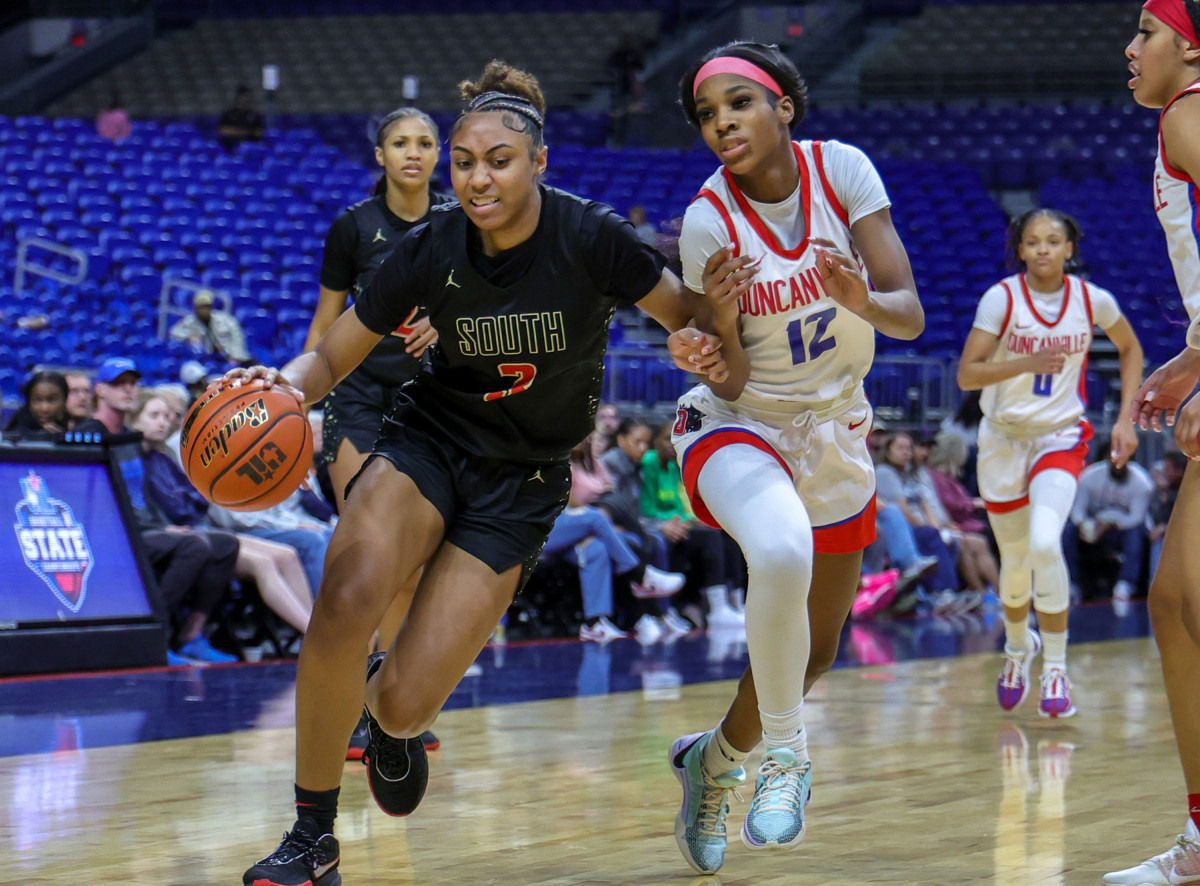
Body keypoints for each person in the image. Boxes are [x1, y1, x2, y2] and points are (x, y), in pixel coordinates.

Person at [237, 60, 713, 886]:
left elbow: (688, 317)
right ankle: (312, 836)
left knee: (406, 703)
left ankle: (389, 719)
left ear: (538, 163)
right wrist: (277, 390)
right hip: (427, 440)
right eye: (465, 161)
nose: (478, 176)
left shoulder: (592, 237)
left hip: (522, 481)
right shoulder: (428, 247)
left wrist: (697, 340)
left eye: (498, 160)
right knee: (348, 591)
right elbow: (332, 358)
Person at [663, 41, 924, 875]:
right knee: (778, 549)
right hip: (740, 421)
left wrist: (861, 300)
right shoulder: (709, 219)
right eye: (708, 115)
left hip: (835, 431)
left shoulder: (842, 171)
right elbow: (730, 371)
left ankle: (714, 763)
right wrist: (718, 339)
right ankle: (786, 757)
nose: (721, 124)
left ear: (785, 106)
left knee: (814, 653)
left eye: (739, 103)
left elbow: (910, 314)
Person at [302, 105, 450, 757]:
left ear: (439, 153)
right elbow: (324, 327)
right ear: (381, 156)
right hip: (357, 398)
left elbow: (484, 308)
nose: (412, 153)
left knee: (413, 568)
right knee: (367, 554)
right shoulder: (353, 228)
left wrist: (447, 325)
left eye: (424, 142)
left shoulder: (457, 224)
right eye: (399, 142)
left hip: (428, 403)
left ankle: (387, 707)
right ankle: (352, 706)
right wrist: (300, 400)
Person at [958, 207, 1143, 722]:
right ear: (1020, 250)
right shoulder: (1002, 297)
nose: (1042, 249)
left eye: (1053, 240)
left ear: (1069, 249)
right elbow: (967, 376)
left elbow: (1131, 349)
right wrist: (1023, 362)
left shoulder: (1092, 300)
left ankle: (1057, 668)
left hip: (1059, 436)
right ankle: (1019, 648)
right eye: (1032, 241)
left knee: (1044, 541)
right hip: (1002, 440)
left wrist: (1126, 419)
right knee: (1015, 563)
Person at [1107, 4, 1200, 881]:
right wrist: (1191, 358)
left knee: (1181, 604)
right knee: (1177, 602)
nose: (1131, 49)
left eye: (1147, 30)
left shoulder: (1187, 109)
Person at [75, 359, 241, 664]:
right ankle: (151, 637)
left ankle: (191, 635)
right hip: (116, 534)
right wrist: (162, 530)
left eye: (132, 383)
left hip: (148, 529)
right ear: (100, 390)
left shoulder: (130, 438)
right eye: (118, 383)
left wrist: (165, 526)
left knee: (226, 544)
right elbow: (94, 498)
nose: (128, 389)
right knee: (194, 546)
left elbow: (144, 497)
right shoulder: (90, 432)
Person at [129, 392, 315, 637]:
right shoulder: (133, 460)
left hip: (202, 527)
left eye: (166, 416)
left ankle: (315, 627)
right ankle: (312, 635)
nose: (163, 422)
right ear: (134, 420)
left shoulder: (165, 459)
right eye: (154, 416)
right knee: (263, 562)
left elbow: (195, 500)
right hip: (184, 533)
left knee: (288, 555)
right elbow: (177, 507)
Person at [1063, 445, 1153, 605]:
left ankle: (1125, 585)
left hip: (1122, 528)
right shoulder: (1090, 476)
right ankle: (1071, 584)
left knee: (1135, 534)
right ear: (1106, 460)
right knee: (1068, 530)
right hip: (1094, 525)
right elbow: (1077, 510)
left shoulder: (1142, 482)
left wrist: (1111, 525)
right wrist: (1085, 525)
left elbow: (1137, 517)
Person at [927, 431, 999, 595]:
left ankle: (991, 592)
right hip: (956, 524)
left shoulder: (948, 477)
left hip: (963, 522)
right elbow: (951, 505)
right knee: (986, 536)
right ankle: (995, 592)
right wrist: (974, 504)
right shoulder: (936, 477)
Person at [169, 289, 253, 365]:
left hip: (229, 355)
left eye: (207, 307)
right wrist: (188, 336)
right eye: (201, 307)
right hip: (208, 358)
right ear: (196, 308)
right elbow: (174, 332)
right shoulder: (190, 321)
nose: (204, 310)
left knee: (252, 365)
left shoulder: (224, 319)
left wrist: (235, 356)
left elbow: (237, 338)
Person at [1147, 450, 1187, 583]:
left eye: (1167, 469)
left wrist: (1164, 527)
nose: (1163, 473)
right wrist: (1163, 494)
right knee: (1159, 540)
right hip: (1172, 533)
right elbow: (1157, 517)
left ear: (1179, 472)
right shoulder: (1165, 490)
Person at [3, 370, 70, 440]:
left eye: (51, 400)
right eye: (37, 400)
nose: (44, 408)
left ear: (65, 400)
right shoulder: (15, 434)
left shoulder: (75, 427)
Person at [216, 85, 264, 152]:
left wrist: (237, 131)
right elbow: (222, 130)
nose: (244, 101)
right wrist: (246, 132)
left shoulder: (254, 116)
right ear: (237, 99)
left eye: (247, 98)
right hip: (230, 148)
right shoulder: (228, 114)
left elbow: (259, 133)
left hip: (251, 149)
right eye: (243, 98)